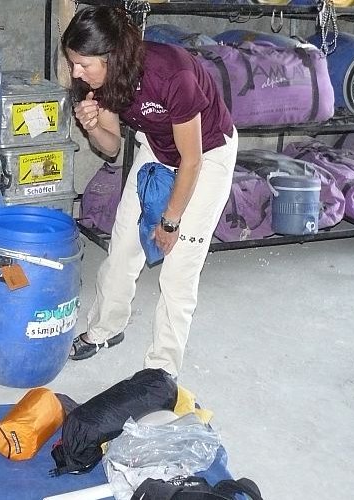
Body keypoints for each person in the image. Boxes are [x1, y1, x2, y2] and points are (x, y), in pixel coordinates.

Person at [62, 6, 238, 378]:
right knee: (123, 242)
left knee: (178, 270)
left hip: (207, 154)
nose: (76, 73)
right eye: (72, 62)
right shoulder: (98, 80)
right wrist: (92, 126)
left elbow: (191, 161)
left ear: (112, 56)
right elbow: (110, 147)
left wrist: (170, 222)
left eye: (82, 64)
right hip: (157, 147)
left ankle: (162, 368)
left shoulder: (173, 74)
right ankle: (105, 329)